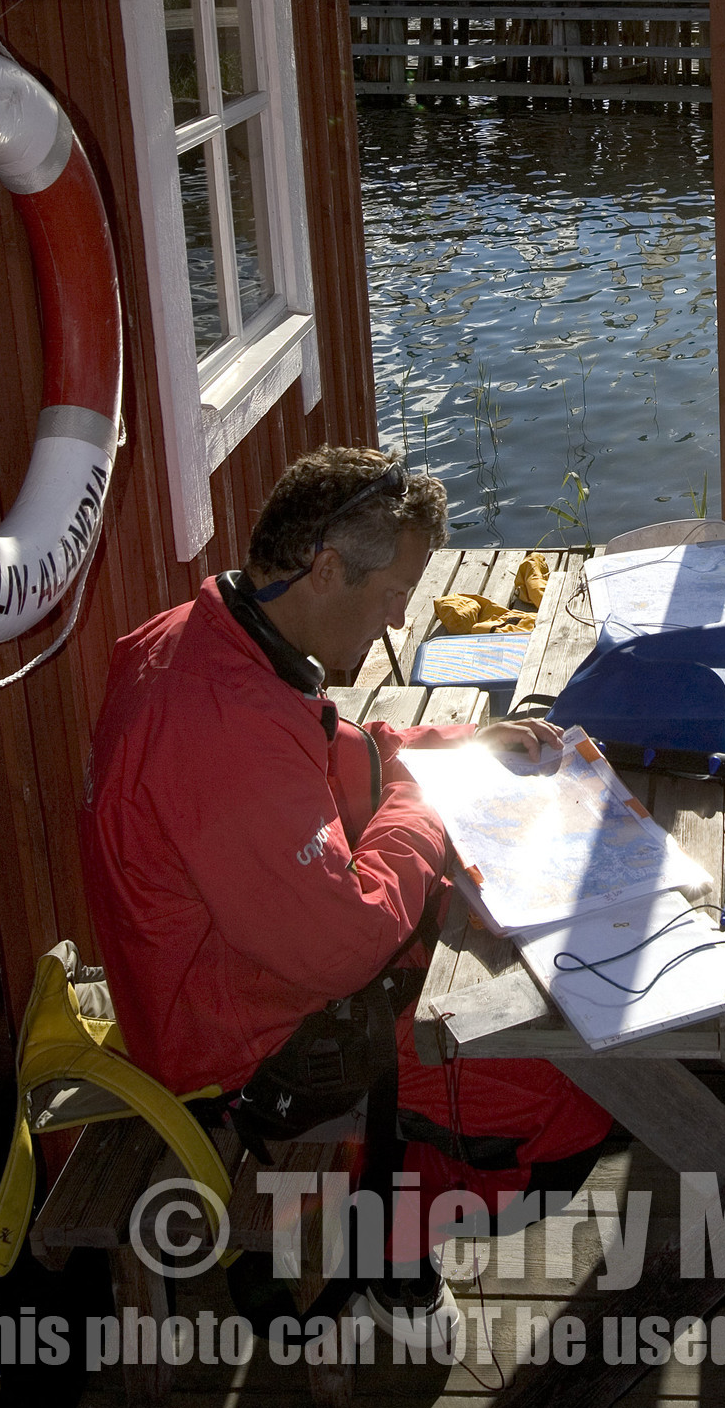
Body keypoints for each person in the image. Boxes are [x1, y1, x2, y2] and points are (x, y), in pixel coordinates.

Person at [79, 447, 612, 1344]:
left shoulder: (220, 640)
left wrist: (461, 744)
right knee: (571, 1087)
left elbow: (340, 750)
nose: (403, 615)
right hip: (244, 1044)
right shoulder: (219, 729)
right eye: (392, 591)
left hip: (243, 968)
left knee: (522, 973)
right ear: (325, 569)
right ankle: (390, 1266)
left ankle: (392, 1221)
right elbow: (349, 942)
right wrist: (430, 799)